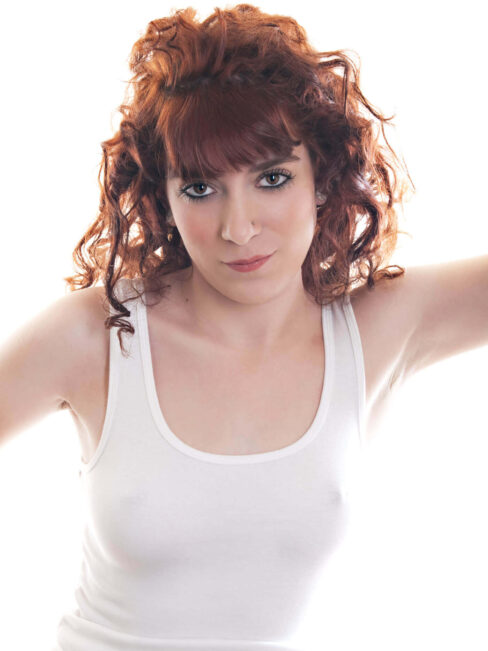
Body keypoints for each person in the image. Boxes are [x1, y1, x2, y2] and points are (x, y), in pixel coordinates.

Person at [1, 4, 487, 650]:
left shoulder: (372, 333)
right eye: (201, 188)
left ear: (321, 179)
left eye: (272, 178)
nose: (239, 228)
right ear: (164, 199)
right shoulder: (101, 334)